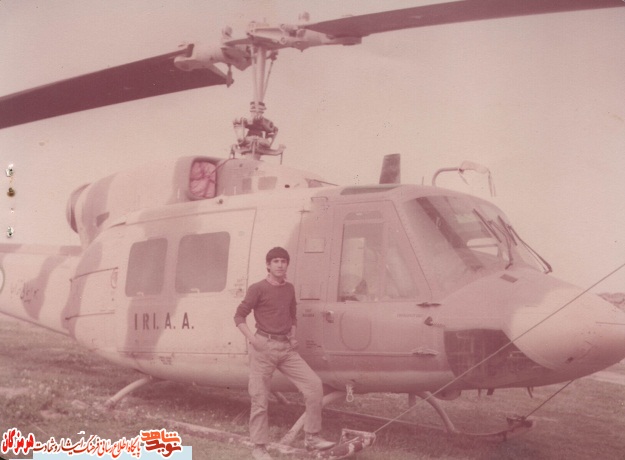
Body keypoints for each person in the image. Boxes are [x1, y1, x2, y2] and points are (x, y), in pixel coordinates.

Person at [234, 247, 335, 460]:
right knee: (260, 398)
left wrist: (293, 336)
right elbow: (239, 316)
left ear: (287, 264)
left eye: (283, 261)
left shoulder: (289, 288)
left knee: (314, 386)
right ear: (268, 265)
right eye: (276, 261)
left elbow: (292, 315)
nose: (280, 265)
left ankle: (312, 437)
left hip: (286, 348)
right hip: (263, 347)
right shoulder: (257, 288)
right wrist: (254, 340)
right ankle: (259, 447)